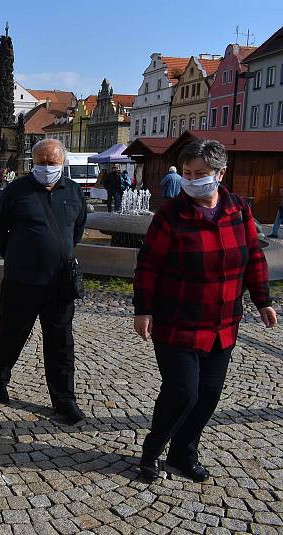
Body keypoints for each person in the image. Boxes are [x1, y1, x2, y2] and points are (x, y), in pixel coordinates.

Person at [133, 139, 277, 483]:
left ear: (220, 173)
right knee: (183, 390)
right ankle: (152, 451)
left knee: (210, 394)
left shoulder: (238, 210)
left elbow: (253, 257)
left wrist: (263, 300)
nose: (193, 179)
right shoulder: (171, 214)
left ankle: (184, 453)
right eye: (187, 173)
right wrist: (143, 309)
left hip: (223, 322)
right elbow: (148, 265)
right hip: (177, 321)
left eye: (201, 173)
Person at [0, 139, 87, 424]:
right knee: (11, 332)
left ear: (62, 163)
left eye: (51, 163)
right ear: (32, 162)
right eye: (40, 162)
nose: (45, 167)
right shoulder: (16, 191)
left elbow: (77, 230)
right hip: (21, 280)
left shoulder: (74, 192)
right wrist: (19, 256)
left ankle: (64, 400)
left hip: (59, 283)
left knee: (61, 342)